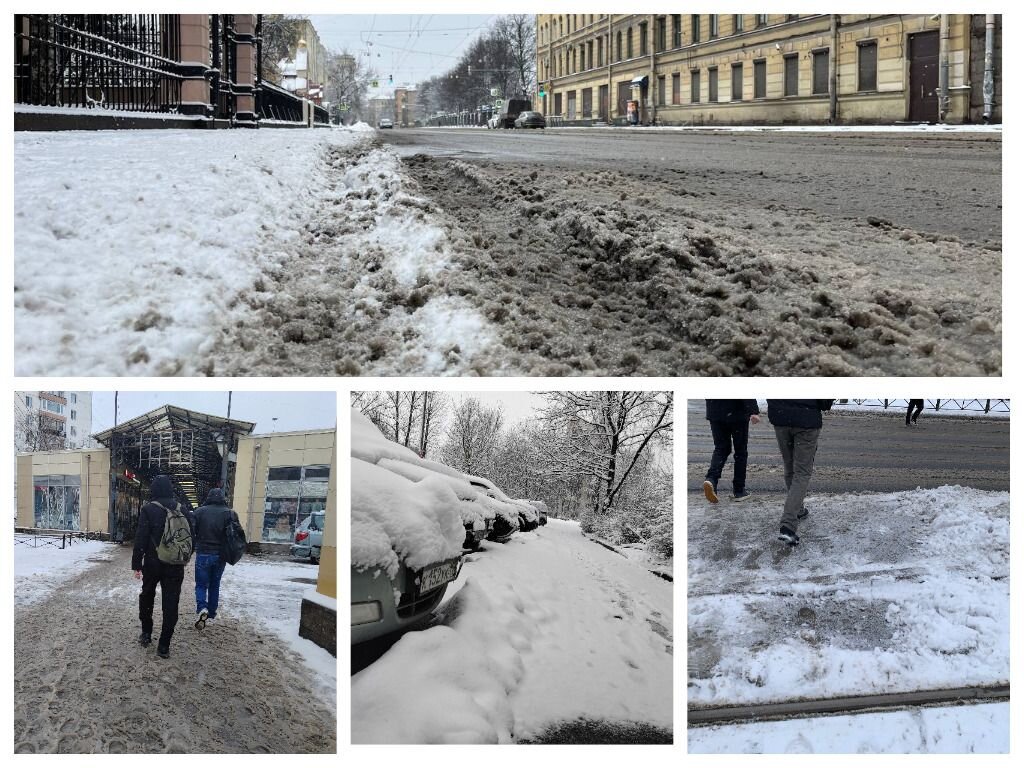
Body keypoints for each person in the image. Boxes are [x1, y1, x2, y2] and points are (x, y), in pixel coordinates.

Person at [133, 475, 195, 658]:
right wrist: (182, 556)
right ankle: (164, 646)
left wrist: (137, 563)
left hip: (152, 563)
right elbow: (191, 538)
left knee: (147, 597)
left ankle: (146, 634)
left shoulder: (148, 509)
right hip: (174, 565)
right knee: (171, 603)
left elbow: (141, 537)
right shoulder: (182, 509)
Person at [766, 400, 835, 546]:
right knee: (802, 473)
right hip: (806, 420)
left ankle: (798, 509)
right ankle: (788, 525)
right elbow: (825, 403)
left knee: (790, 467)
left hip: (781, 417)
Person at [192, 487, 241, 630]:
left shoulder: (199, 512)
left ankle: (202, 607)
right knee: (215, 584)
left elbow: (192, 532)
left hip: (203, 554)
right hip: (220, 555)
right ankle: (212, 611)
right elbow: (236, 534)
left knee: (201, 584)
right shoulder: (230, 514)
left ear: (209, 497)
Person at [703, 399, 761, 503]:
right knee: (740, 452)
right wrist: (753, 411)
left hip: (715, 411)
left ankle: (711, 479)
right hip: (737, 412)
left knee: (721, 448)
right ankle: (739, 491)